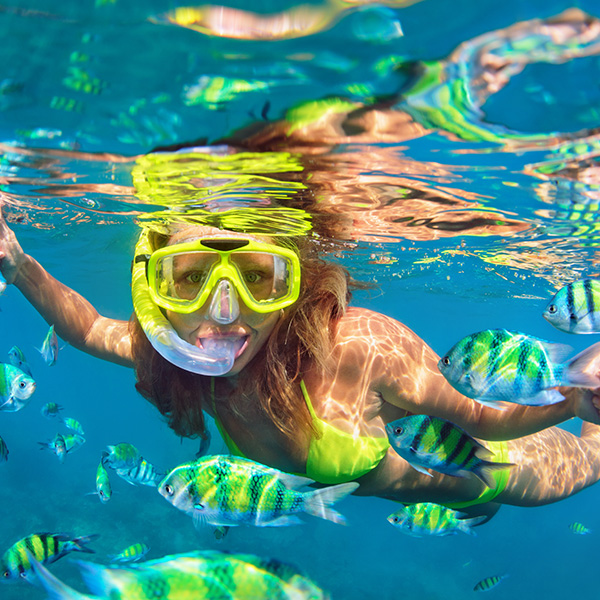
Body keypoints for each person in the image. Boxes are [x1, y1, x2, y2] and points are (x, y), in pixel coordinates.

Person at [2, 202, 600, 524]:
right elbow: (83, 328)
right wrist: (16, 260)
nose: (224, 314)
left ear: (294, 281)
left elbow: (483, 419)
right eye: (189, 279)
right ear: (155, 289)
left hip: (491, 474)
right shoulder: (175, 354)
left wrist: (575, 400)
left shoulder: (358, 347)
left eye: (259, 277)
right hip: (420, 496)